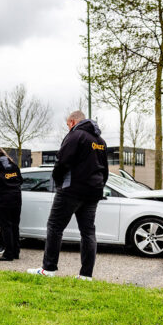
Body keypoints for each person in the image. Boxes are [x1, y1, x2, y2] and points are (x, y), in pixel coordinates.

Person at [27, 110, 108, 280]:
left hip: (71, 190)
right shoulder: (100, 141)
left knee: (55, 227)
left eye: (67, 124)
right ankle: (86, 275)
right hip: (93, 192)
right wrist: (98, 186)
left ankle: (48, 269)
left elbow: (62, 161)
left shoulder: (75, 136)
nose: (68, 127)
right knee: (88, 232)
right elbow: (105, 169)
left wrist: (58, 181)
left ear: (72, 121)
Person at [0, 147, 22, 261]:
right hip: (17, 198)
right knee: (15, 226)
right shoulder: (13, 165)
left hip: (3, 200)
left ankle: (8, 254)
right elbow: (20, 180)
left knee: (6, 227)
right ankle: (16, 251)